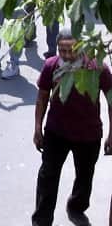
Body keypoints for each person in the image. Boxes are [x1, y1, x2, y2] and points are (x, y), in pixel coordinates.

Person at [31, 31, 112, 226]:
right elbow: (42, 98)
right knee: (47, 177)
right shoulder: (51, 65)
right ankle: (41, 220)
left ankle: (77, 206)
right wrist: (37, 128)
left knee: (85, 176)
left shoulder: (98, 67)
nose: (66, 55)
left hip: (88, 135)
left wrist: (111, 134)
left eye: (71, 51)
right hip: (56, 132)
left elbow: (111, 102)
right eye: (62, 51)